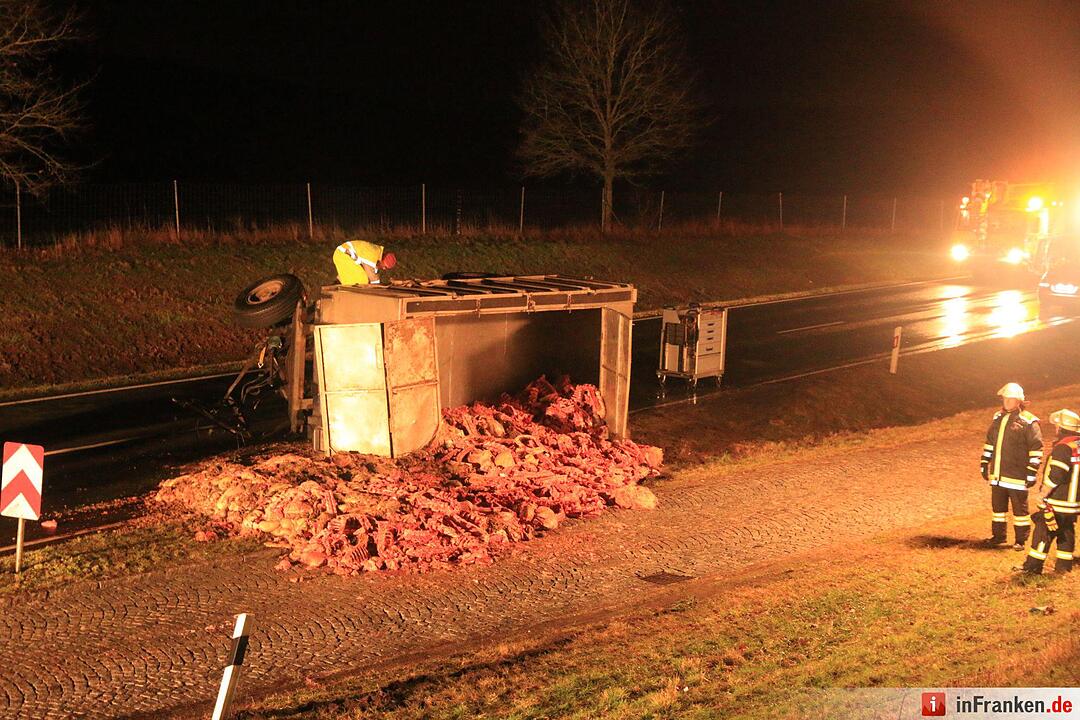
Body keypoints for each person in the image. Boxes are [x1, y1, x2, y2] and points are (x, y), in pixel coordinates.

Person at [980, 382, 1042, 549]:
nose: (1007, 402)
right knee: (998, 510)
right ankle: (998, 536)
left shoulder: (1029, 421)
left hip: (1017, 476)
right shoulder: (997, 418)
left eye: (1011, 399)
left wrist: (1031, 472)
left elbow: (1036, 449)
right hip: (998, 475)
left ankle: (1021, 541)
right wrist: (984, 462)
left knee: (1020, 511)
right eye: (1005, 398)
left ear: (1019, 401)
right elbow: (990, 443)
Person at [1021, 409, 1079, 574]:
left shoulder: (1063, 448)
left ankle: (1032, 567)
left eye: (1057, 426)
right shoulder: (1078, 444)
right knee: (1066, 532)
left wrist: (1042, 494)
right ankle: (1064, 568)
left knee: (1043, 532)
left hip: (1057, 501)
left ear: (1061, 428)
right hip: (1073, 504)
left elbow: (1056, 475)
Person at [333, 240, 397, 286]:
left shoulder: (376, 253)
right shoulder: (373, 255)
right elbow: (372, 277)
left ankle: (335, 287)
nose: (384, 269)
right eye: (385, 266)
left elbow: (372, 274)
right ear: (382, 260)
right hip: (343, 255)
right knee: (361, 281)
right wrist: (377, 290)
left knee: (356, 278)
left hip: (345, 255)